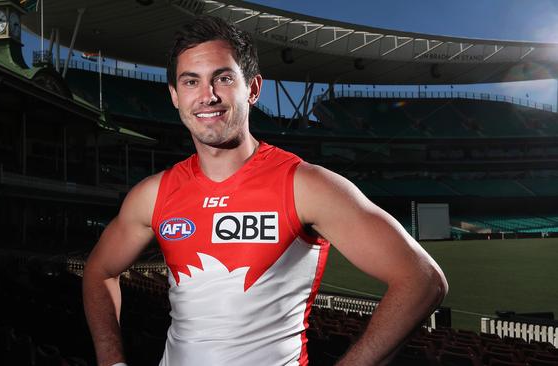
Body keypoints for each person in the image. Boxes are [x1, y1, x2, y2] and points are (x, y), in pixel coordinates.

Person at [82, 16, 448, 366]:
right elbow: (99, 270)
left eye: (222, 78)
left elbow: (421, 279)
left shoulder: (306, 185)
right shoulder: (153, 194)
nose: (207, 96)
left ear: (253, 88)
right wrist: (112, 359)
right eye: (191, 82)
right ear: (175, 96)